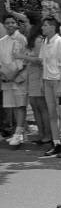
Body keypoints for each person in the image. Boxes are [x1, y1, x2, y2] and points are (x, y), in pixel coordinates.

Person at [39, 17, 61, 157]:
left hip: (59, 82)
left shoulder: (60, 42)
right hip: (47, 82)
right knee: (52, 114)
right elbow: (44, 63)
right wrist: (43, 82)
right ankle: (56, 143)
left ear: (52, 27)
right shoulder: (45, 42)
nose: (42, 28)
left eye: (45, 25)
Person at [14, 13, 52, 145]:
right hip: (31, 76)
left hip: (39, 76)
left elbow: (41, 60)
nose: (24, 25)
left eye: (27, 23)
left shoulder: (38, 40)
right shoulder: (31, 39)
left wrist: (22, 57)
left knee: (41, 106)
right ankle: (42, 134)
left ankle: (48, 135)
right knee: (35, 106)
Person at [0, 14, 27, 146]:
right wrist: (4, 75)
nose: (10, 25)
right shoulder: (2, 41)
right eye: (7, 23)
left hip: (19, 77)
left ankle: (20, 133)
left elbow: (23, 60)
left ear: (16, 24)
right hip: (6, 77)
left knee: (20, 105)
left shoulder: (21, 38)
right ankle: (15, 133)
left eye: (12, 22)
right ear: (4, 25)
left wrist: (14, 74)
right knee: (11, 106)